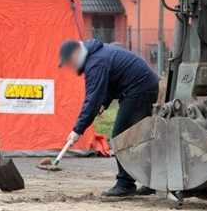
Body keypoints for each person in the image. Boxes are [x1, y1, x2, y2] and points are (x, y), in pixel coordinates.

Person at [58, 39, 160, 197]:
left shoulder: (95, 63)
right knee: (139, 137)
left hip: (139, 89)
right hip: (144, 85)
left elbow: (92, 100)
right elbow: (113, 80)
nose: (71, 66)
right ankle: (151, 181)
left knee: (121, 136)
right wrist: (104, 102)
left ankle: (125, 184)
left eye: (70, 62)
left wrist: (78, 130)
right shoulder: (97, 55)